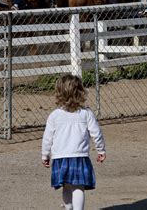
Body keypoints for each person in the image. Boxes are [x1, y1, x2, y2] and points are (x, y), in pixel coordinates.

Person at [42, 74, 106, 210]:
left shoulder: (54, 115)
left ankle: (68, 208)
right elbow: (96, 133)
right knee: (78, 187)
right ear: (81, 93)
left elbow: (47, 138)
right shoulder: (86, 113)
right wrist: (101, 150)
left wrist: (45, 155)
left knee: (66, 186)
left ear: (59, 93)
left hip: (60, 157)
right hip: (80, 156)